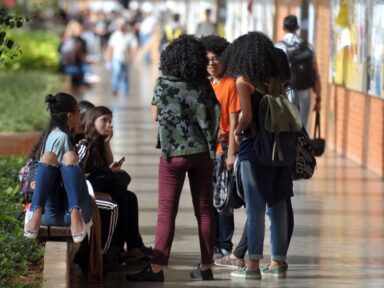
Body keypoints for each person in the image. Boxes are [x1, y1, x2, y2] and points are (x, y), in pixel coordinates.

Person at [126, 35, 220, 282]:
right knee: (205, 210)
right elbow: (213, 117)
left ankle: (157, 268)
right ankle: (206, 265)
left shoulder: (163, 84)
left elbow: (155, 116)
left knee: (167, 211)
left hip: (173, 156)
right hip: (202, 153)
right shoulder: (204, 85)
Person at [214, 47, 295, 272]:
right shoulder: (277, 83)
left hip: (255, 151)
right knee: (278, 206)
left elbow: (247, 116)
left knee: (256, 209)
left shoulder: (243, 82)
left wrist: (237, 130)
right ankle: (278, 261)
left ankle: (252, 265)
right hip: (280, 151)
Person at [23, 93, 93, 244]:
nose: (80, 115)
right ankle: (73, 212)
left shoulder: (51, 134)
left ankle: (36, 213)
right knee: (69, 158)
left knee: (54, 157)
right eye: (78, 111)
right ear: (70, 115)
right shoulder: (61, 137)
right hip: (67, 211)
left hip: (49, 214)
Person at [83, 106, 150, 263]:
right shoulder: (85, 143)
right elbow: (82, 173)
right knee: (120, 197)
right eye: (104, 121)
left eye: (110, 121)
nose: (108, 125)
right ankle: (118, 248)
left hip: (98, 184)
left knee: (130, 197)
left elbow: (108, 164)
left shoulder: (100, 142)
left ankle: (134, 246)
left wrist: (107, 143)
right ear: (92, 122)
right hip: (88, 187)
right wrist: (107, 171)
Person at [200, 35, 240, 259]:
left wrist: (231, 153)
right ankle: (213, 242)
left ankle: (225, 243)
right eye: (207, 60)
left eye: (216, 59)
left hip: (222, 151)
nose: (212, 64)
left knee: (223, 200)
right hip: (205, 152)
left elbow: (234, 123)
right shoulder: (204, 84)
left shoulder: (231, 84)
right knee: (208, 200)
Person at [275, 15, 321, 128]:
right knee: (302, 124)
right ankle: (300, 145)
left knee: (285, 125)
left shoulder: (278, 47)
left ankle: (288, 145)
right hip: (305, 90)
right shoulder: (308, 47)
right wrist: (318, 98)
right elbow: (316, 74)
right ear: (297, 28)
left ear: (283, 28)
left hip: (285, 90)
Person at [104, 19, 138, 96]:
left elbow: (134, 46)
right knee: (117, 72)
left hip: (126, 59)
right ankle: (115, 89)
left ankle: (125, 90)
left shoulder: (130, 35)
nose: (121, 27)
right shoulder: (115, 35)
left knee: (125, 75)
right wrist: (108, 59)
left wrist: (132, 56)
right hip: (116, 58)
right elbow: (110, 47)